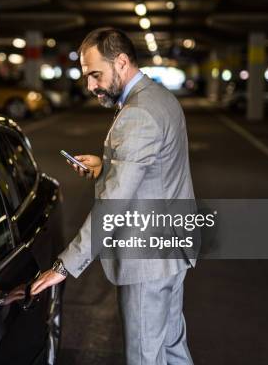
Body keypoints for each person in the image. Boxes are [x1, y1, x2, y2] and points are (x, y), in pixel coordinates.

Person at [30, 27, 196, 365]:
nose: (90, 86)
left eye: (95, 74)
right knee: (171, 348)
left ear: (121, 62)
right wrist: (107, 167)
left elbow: (114, 204)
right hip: (173, 248)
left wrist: (65, 265)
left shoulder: (136, 114)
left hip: (148, 259)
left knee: (144, 357)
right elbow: (156, 169)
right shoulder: (160, 97)